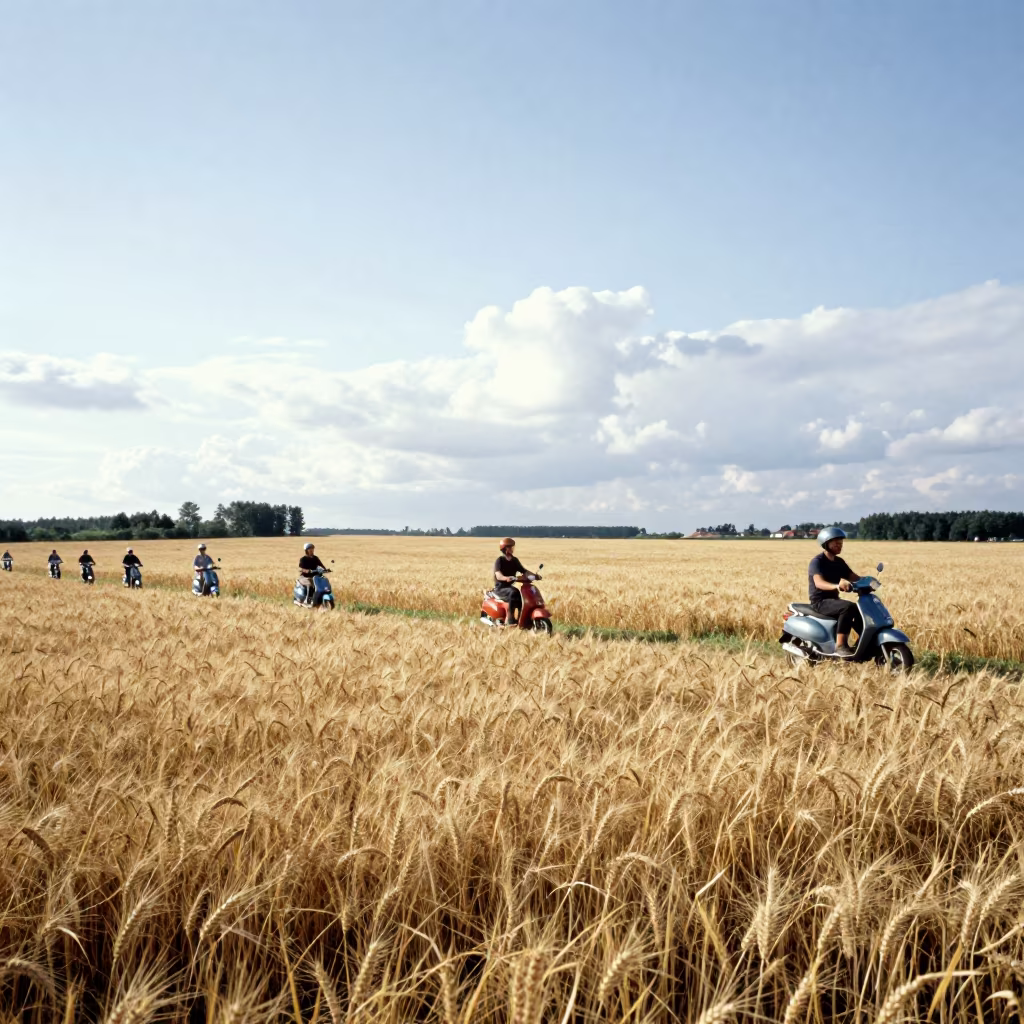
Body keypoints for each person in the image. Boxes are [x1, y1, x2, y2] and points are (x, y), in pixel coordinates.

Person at [808, 527, 863, 658]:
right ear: (826, 543)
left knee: (860, 609)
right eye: (836, 543)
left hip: (833, 601)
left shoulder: (839, 562)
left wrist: (869, 581)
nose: (840, 545)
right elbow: (819, 583)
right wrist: (837, 586)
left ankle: (863, 641)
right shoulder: (817, 562)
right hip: (820, 602)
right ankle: (841, 646)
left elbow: (854, 577)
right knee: (848, 607)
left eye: (841, 543)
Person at [492, 537, 538, 627]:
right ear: (505, 549)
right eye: (510, 547)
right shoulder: (500, 560)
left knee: (521, 597)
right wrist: (506, 578)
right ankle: (510, 620)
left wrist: (535, 576)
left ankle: (522, 620)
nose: (512, 549)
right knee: (514, 592)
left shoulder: (514, 560)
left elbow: (524, 571)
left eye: (512, 547)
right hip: (500, 588)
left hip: (509, 587)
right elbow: (498, 575)